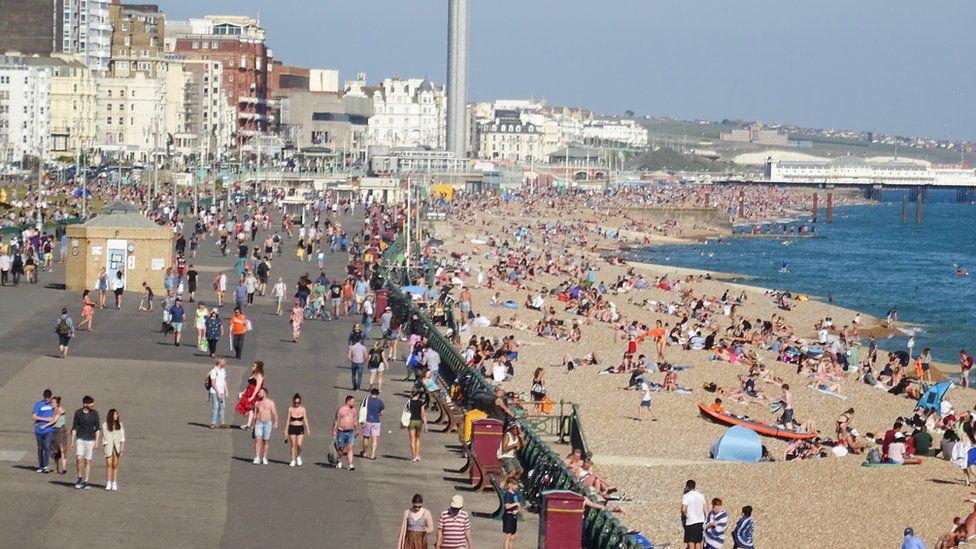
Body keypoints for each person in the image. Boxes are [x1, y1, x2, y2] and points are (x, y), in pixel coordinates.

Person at [70, 395, 100, 490]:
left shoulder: (95, 413)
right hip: (80, 439)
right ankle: (79, 478)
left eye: (92, 403)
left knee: (88, 460)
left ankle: (85, 481)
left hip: (90, 439)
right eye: (90, 403)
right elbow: (74, 428)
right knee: (79, 458)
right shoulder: (78, 413)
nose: (92, 405)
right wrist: (72, 441)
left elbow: (97, 428)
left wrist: (97, 441)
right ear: (85, 404)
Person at [248, 387, 278, 465]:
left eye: (260, 392)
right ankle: (257, 457)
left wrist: (276, 422)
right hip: (259, 423)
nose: (258, 394)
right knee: (258, 439)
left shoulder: (270, 402)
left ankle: (264, 457)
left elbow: (274, 413)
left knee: (265, 441)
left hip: (267, 423)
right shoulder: (257, 403)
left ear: (264, 393)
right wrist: (252, 425)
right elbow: (255, 415)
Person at [31, 389, 55, 473]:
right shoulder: (38, 404)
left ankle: (45, 466)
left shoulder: (52, 405)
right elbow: (34, 416)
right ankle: (40, 465)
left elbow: (58, 412)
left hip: (48, 430)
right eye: (45, 397)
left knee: (47, 447)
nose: (47, 399)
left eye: (48, 398)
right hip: (39, 430)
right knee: (40, 448)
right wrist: (45, 419)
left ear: (51, 397)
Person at [235, 361, 265, 429]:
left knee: (252, 409)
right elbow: (250, 384)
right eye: (252, 365)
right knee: (250, 408)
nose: (252, 366)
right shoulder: (253, 373)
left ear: (257, 367)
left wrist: (253, 396)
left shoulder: (259, 375)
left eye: (254, 366)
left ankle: (253, 425)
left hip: (254, 393)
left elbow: (258, 387)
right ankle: (249, 425)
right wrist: (243, 392)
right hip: (249, 391)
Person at [333, 395, 359, 470]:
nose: (354, 403)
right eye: (352, 401)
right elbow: (336, 421)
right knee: (341, 448)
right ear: (348, 401)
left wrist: (357, 429)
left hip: (351, 431)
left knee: (350, 447)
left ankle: (350, 464)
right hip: (341, 432)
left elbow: (355, 421)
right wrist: (334, 431)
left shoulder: (354, 410)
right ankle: (339, 461)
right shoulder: (341, 410)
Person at [101, 408, 125, 491]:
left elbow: (122, 437)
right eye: (114, 414)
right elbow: (104, 437)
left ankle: (114, 482)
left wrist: (122, 447)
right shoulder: (105, 425)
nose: (116, 416)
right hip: (109, 446)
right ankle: (108, 482)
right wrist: (105, 445)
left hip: (117, 446)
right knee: (109, 464)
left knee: (115, 464)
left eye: (116, 414)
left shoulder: (120, 425)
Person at [284, 393, 310, 467]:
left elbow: (305, 419)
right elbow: (288, 419)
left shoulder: (302, 409)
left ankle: (298, 456)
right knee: (292, 444)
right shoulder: (290, 409)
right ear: (293, 402)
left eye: (298, 403)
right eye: (295, 403)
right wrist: (285, 430)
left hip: (300, 427)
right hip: (292, 427)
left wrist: (308, 429)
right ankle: (293, 460)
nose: (297, 404)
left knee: (299, 444)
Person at [681, 479, 707, 549]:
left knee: (691, 542)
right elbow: (705, 510)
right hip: (700, 522)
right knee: (698, 542)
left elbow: (683, 509)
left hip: (691, 522)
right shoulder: (701, 495)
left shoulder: (686, 496)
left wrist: (684, 515)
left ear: (687, 487)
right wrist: (706, 520)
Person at [360, 388, 384, 461]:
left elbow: (362, 408)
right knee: (374, 439)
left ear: (371, 393)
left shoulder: (366, 400)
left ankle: (364, 452)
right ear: (378, 394)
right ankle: (373, 455)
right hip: (376, 421)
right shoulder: (380, 402)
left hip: (367, 421)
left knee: (366, 438)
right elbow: (382, 413)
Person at [47, 396, 69, 474]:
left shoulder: (59, 409)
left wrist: (57, 413)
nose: (51, 404)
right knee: (55, 451)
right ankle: (56, 468)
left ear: (57, 404)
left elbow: (62, 411)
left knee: (62, 449)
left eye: (53, 402)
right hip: (53, 431)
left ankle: (64, 468)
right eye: (51, 402)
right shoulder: (51, 411)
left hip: (61, 430)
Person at [407, 389, 428, 462]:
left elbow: (406, 413)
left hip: (411, 421)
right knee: (417, 439)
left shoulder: (409, 402)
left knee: (412, 439)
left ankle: (414, 456)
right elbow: (423, 414)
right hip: (419, 421)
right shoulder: (421, 403)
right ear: (418, 394)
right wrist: (425, 425)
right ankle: (417, 455)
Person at [209, 359, 229, 429]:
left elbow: (224, 381)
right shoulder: (214, 371)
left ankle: (222, 423)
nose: (225, 362)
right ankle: (213, 423)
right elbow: (213, 383)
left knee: (222, 406)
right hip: (214, 392)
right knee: (216, 406)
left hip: (222, 391)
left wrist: (226, 391)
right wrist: (218, 392)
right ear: (219, 362)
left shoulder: (223, 370)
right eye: (223, 361)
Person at [502, 478, 521, 549]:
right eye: (515, 484)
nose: (516, 486)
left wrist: (517, 510)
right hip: (508, 516)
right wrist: (515, 503)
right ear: (510, 484)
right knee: (508, 536)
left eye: (516, 485)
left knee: (513, 537)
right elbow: (507, 506)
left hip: (514, 515)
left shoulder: (517, 493)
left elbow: (519, 504)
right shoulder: (507, 494)